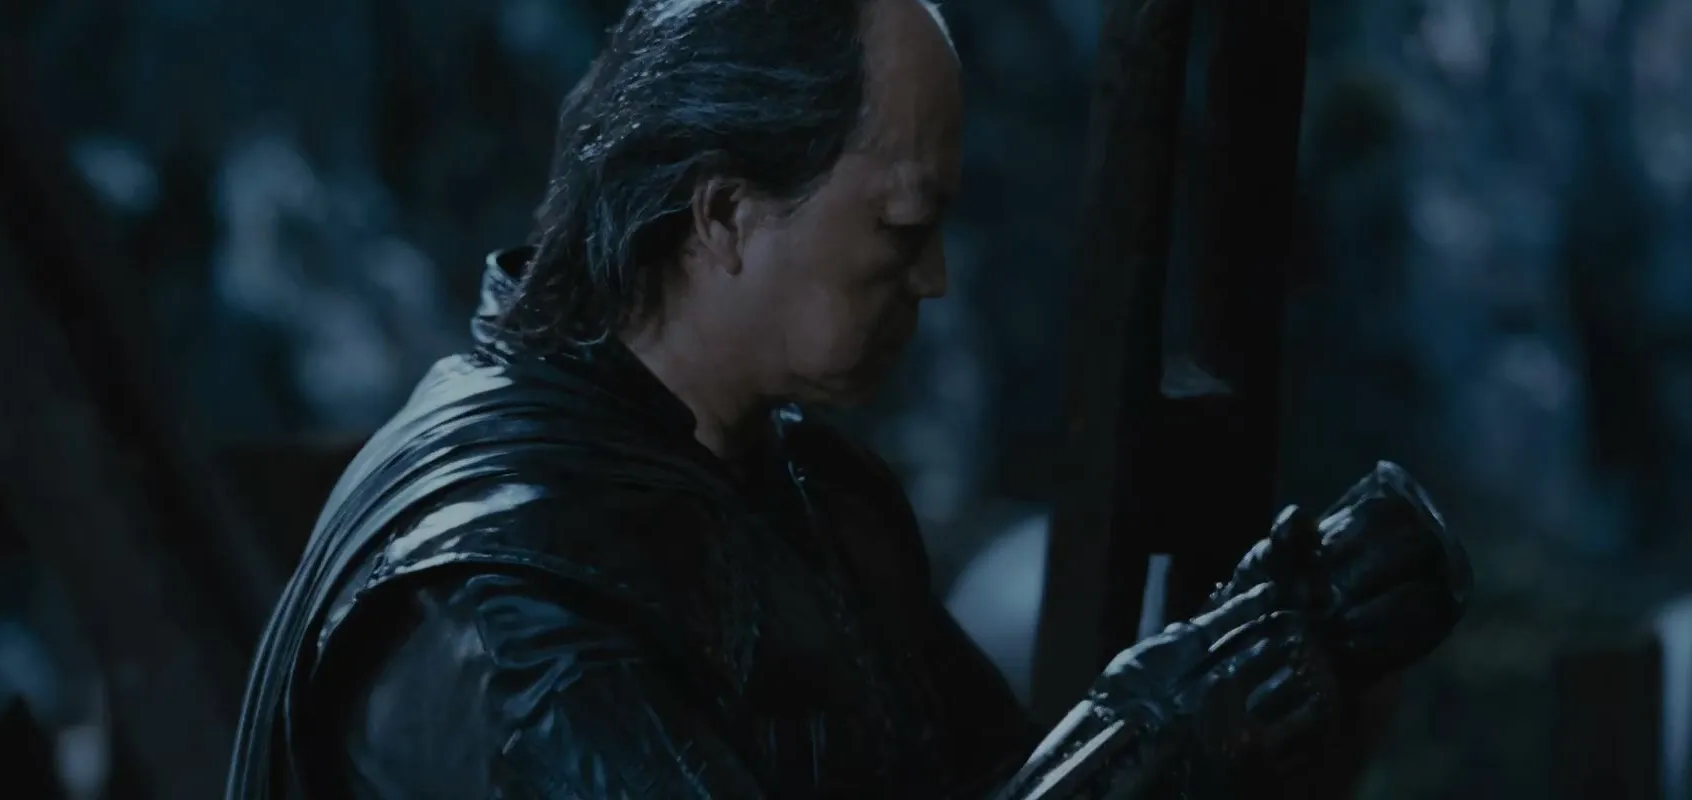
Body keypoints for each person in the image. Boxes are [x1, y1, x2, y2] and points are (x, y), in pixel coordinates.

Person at [226, 1, 1471, 797]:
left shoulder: (803, 490)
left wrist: (1256, 658)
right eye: (901, 227)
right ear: (724, 216)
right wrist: (1158, 730)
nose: (931, 280)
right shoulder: (510, 602)